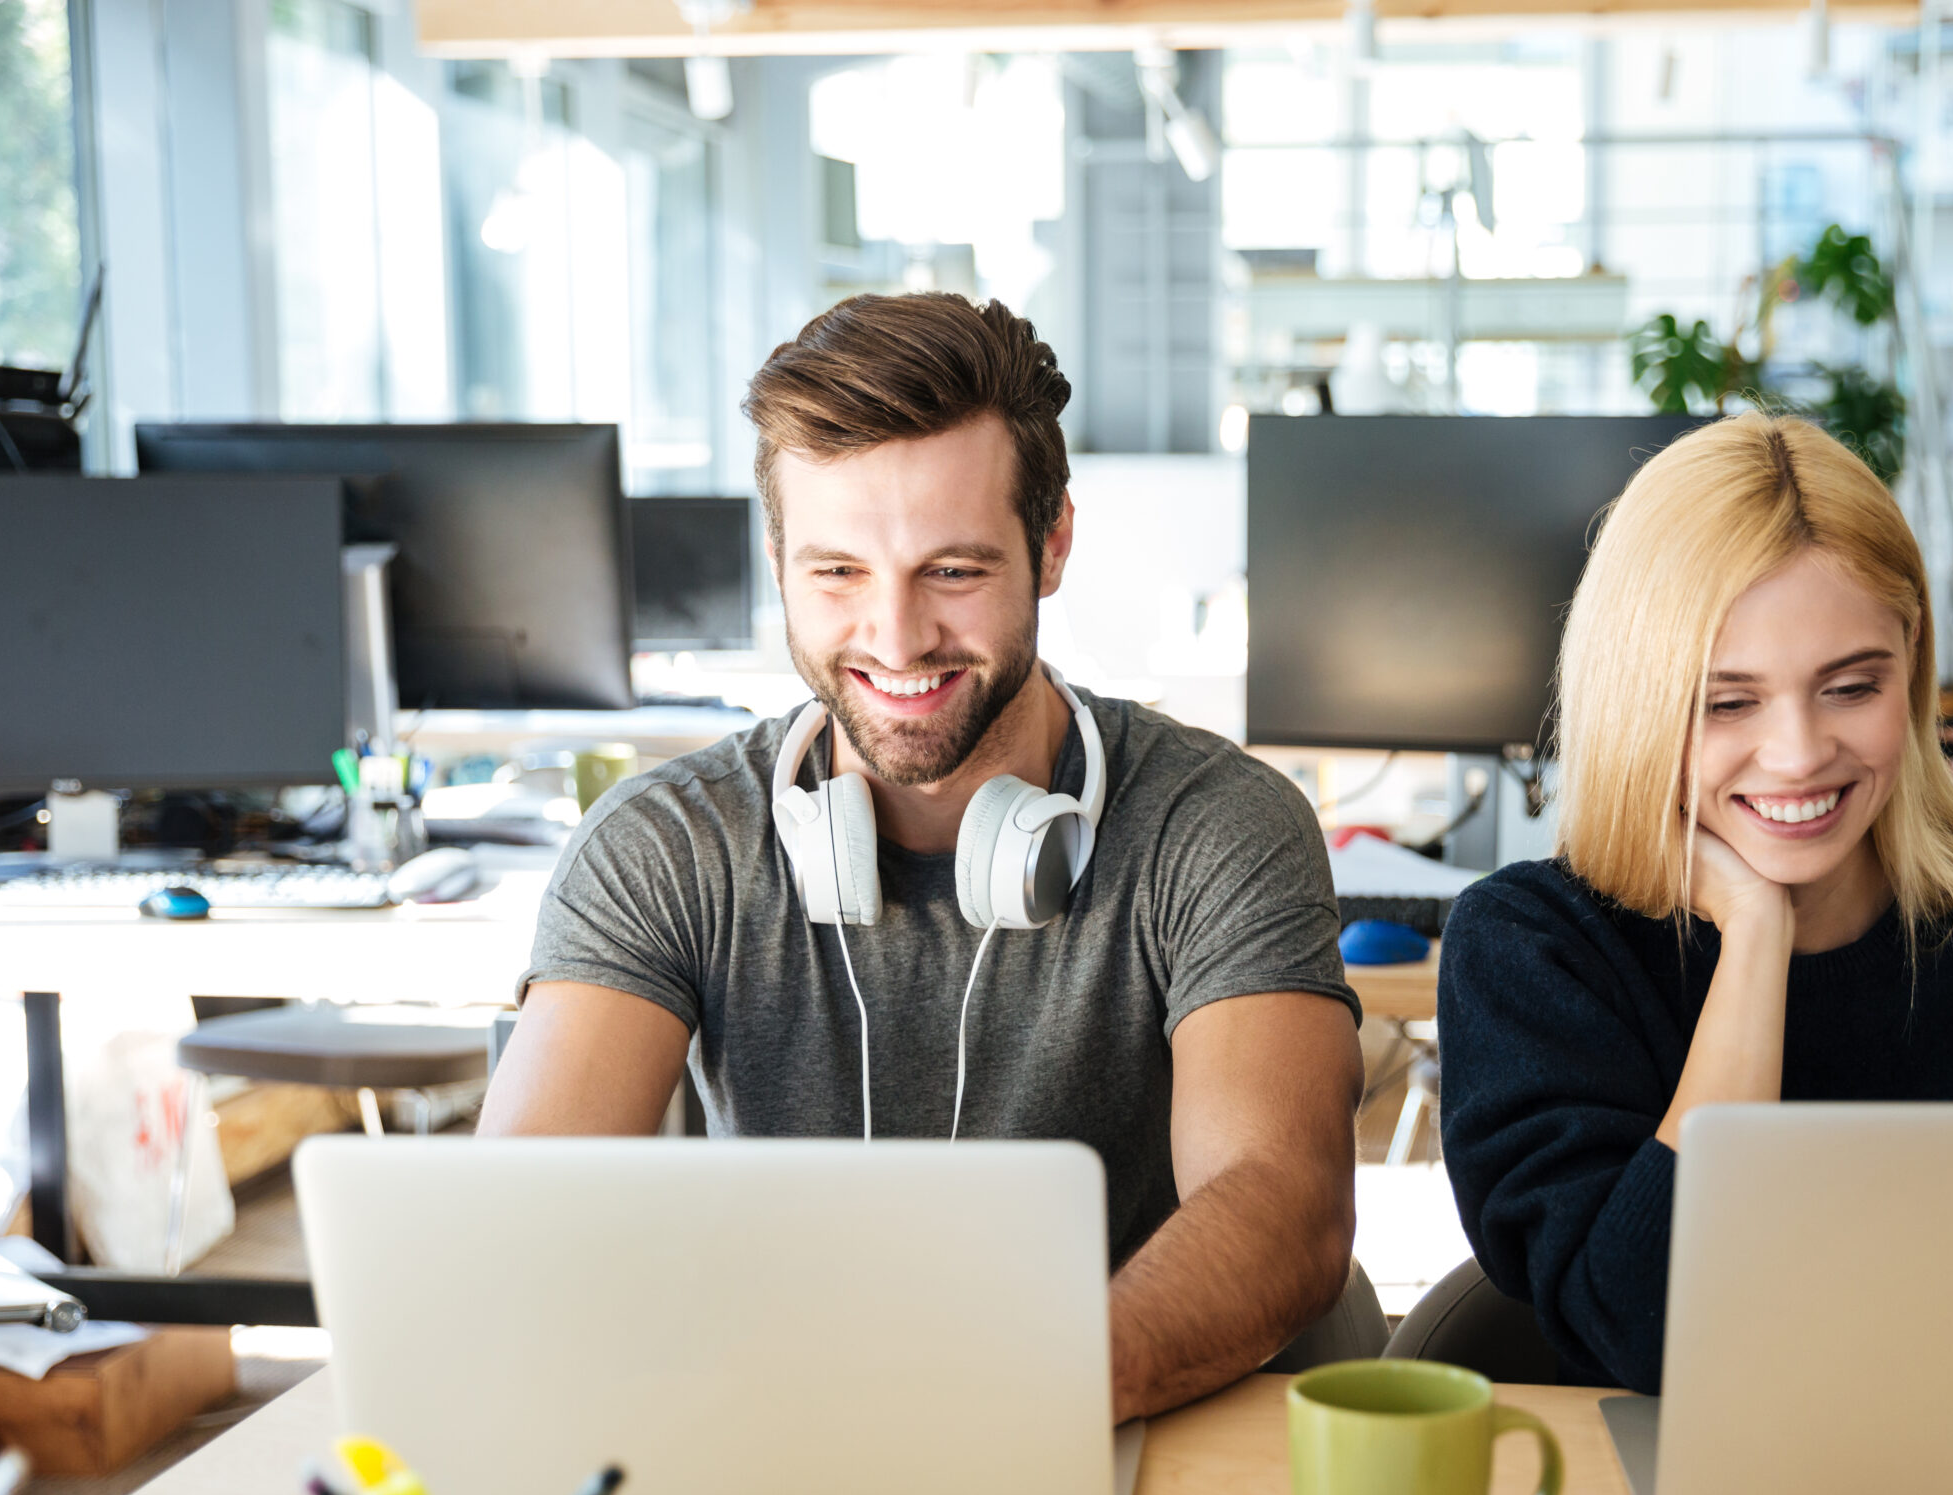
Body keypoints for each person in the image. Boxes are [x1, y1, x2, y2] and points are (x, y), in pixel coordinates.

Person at [480, 293, 1364, 1422]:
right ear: (778, 559)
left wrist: (995, 1400)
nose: (895, 641)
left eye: (952, 572)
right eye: (837, 573)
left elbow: (1280, 1204)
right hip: (769, 1429)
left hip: (1117, 1426)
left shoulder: (1217, 825)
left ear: (1051, 548)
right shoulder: (668, 845)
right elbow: (515, 1225)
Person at [1435, 412, 1953, 1394]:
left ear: (1908, 666)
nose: (1797, 754)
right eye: (1727, 701)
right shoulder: (1532, 947)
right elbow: (1648, 1334)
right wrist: (1753, 935)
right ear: (1637, 701)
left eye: (1849, 687)